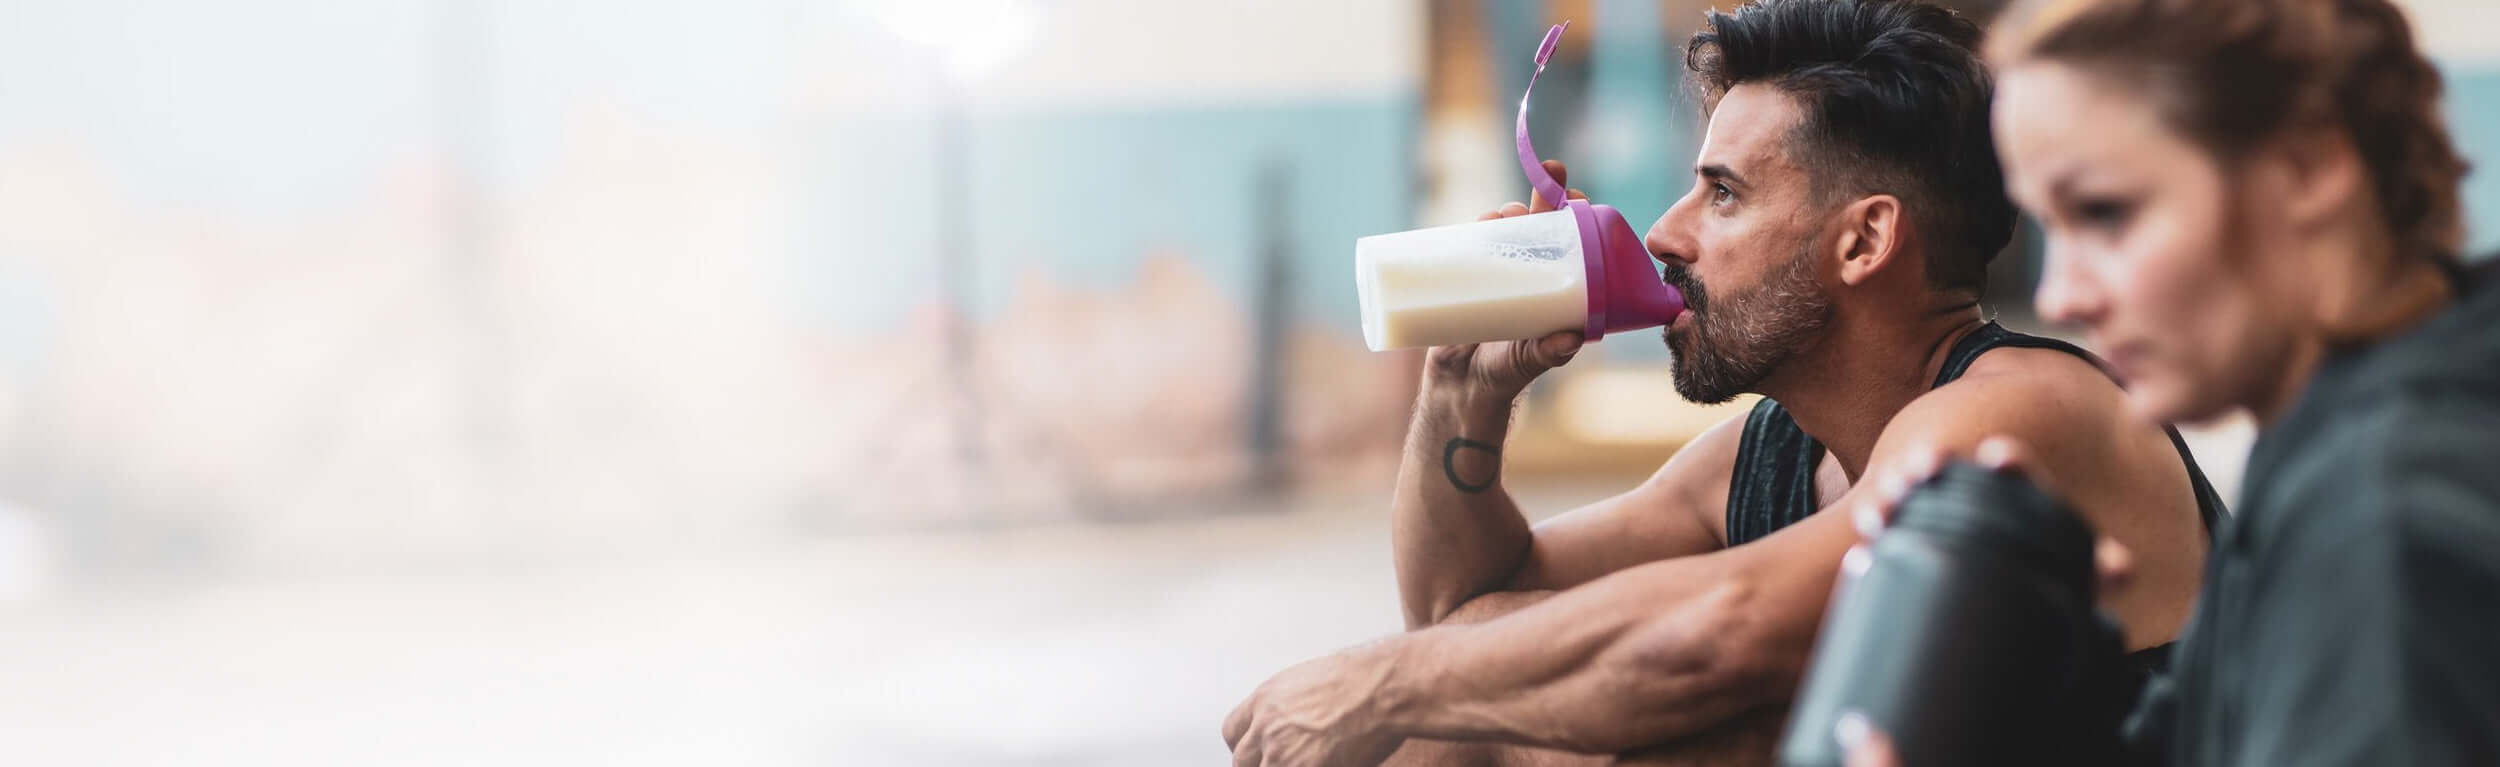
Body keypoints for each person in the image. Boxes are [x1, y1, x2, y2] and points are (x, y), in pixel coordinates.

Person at [1220, 2, 2224, 765]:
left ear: (1865, 238)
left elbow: (1726, 633)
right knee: (1460, 721)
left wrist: (1379, 683)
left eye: (1724, 194)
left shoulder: (2023, 410)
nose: (1664, 231)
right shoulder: (1767, 452)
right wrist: (1460, 392)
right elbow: (1463, 615)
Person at [1841, 0, 2500, 764]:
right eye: (2051, 227)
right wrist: (2044, 667)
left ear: (2310, 169)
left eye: (2105, 212)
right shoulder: (2336, 445)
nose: (2062, 295)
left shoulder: (2383, 508)